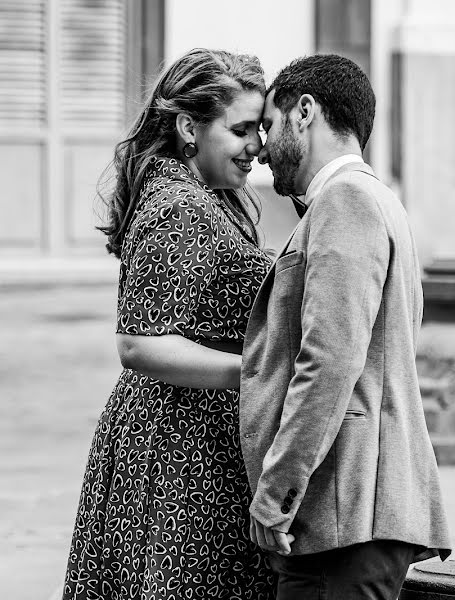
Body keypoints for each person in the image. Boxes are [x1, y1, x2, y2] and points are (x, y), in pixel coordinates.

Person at [63, 48, 275, 600]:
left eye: (261, 128)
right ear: (189, 126)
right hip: (177, 452)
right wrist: (261, 370)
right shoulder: (177, 204)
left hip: (196, 441)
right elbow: (138, 345)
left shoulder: (213, 193)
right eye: (242, 129)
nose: (258, 146)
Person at [240, 54, 452, 600]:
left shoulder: (346, 201)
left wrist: (276, 492)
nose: (262, 147)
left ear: (305, 112)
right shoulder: (380, 201)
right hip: (354, 516)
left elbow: (329, 359)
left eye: (269, 124)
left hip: (347, 515)